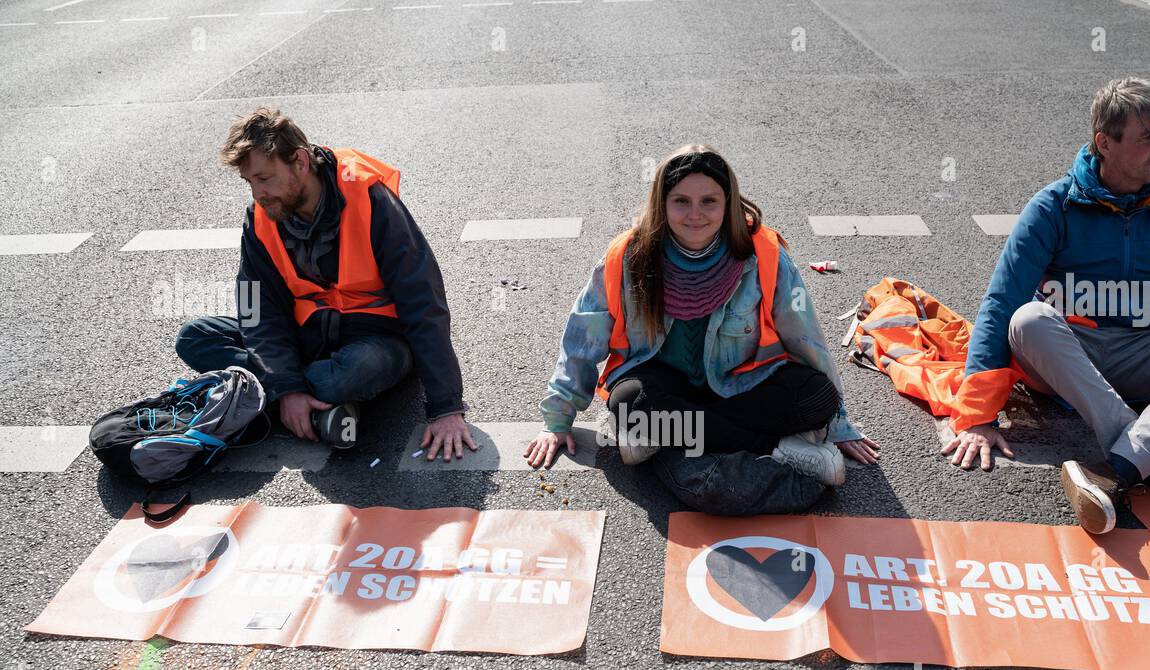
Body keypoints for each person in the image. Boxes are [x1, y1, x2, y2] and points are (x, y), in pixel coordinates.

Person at [944, 78, 1150, 533]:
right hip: (1066, 359)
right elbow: (1001, 302)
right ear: (1104, 143)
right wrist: (978, 416)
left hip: (1140, 355)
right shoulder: (1053, 205)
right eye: (1148, 137)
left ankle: (1123, 465)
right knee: (1028, 317)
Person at [525, 145, 878, 515]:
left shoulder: (764, 254)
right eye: (681, 201)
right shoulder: (627, 256)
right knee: (629, 405)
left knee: (817, 397)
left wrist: (838, 423)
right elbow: (584, 335)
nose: (695, 214)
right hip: (664, 388)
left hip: (742, 386)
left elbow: (807, 340)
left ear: (729, 203)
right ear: (662, 204)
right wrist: (558, 418)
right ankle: (778, 449)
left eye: (709, 201)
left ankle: (666, 439)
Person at [175, 107, 475, 460]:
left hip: (376, 341)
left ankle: (261, 395)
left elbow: (423, 300)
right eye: (250, 182)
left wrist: (446, 407)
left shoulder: (370, 199)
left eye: (265, 178)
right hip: (307, 335)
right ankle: (308, 404)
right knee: (194, 337)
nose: (257, 193)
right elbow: (257, 308)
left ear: (300, 162)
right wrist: (288, 388)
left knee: (351, 373)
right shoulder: (260, 217)